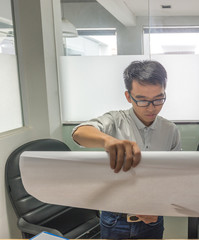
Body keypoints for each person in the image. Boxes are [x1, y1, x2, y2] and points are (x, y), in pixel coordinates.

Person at [72, 60, 181, 239]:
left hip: (152, 218)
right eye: (142, 100)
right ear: (128, 96)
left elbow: (174, 177)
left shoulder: (170, 130)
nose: (152, 107)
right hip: (115, 218)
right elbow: (79, 133)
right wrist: (107, 141)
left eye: (158, 99)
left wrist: (160, 206)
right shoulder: (115, 120)